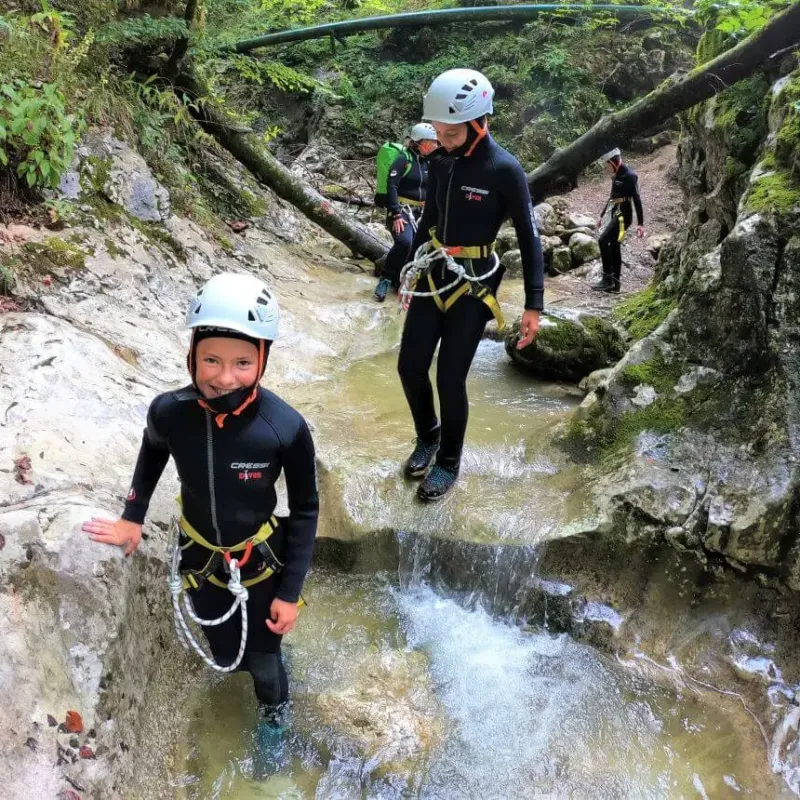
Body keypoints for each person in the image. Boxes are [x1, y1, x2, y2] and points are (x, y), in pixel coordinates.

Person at [81, 272, 318, 774]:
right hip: (199, 557)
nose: (224, 377)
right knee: (224, 647)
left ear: (263, 360)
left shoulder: (284, 427)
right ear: (192, 354)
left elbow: (305, 509)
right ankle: (255, 665)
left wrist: (290, 592)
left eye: (242, 363)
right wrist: (132, 518)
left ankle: (275, 716)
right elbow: (151, 457)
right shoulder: (171, 412)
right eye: (211, 359)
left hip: (258, 565)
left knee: (263, 663)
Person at [397, 68, 544, 501]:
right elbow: (427, 222)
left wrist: (533, 305)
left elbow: (529, 236)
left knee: (449, 377)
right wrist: (408, 273)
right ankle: (428, 436)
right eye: (437, 131)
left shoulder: (504, 169)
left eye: (451, 131)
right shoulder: (440, 163)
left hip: (475, 284)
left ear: (480, 122)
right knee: (409, 366)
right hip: (433, 273)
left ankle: (448, 462)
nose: (441, 139)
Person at [374, 123, 439, 302]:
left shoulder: (430, 162)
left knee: (426, 247)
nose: (434, 145)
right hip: (402, 210)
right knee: (405, 242)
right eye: (431, 142)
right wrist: (395, 213)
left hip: (423, 212)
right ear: (419, 142)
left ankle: (405, 279)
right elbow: (392, 185)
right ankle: (385, 279)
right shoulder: (404, 159)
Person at [593, 147, 645, 293]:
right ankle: (615, 284)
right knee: (614, 245)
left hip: (624, 216)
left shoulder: (629, 175)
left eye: (606, 165)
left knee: (603, 240)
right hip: (616, 212)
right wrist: (601, 216)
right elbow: (611, 196)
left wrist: (641, 224)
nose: (605, 168)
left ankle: (607, 278)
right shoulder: (616, 175)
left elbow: (637, 199)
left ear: (612, 162)